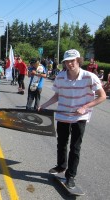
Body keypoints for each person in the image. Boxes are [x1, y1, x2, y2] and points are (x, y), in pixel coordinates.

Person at [39, 49, 106, 189]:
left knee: (75, 147)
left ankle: (71, 176)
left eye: (72, 61)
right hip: (63, 114)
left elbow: (102, 96)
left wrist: (85, 107)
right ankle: (61, 166)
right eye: (67, 61)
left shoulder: (90, 76)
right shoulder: (60, 76)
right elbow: (57, 95)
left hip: (80, 116)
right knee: (61, 143)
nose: (70, 64)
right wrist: (44, 105)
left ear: (78, 61)